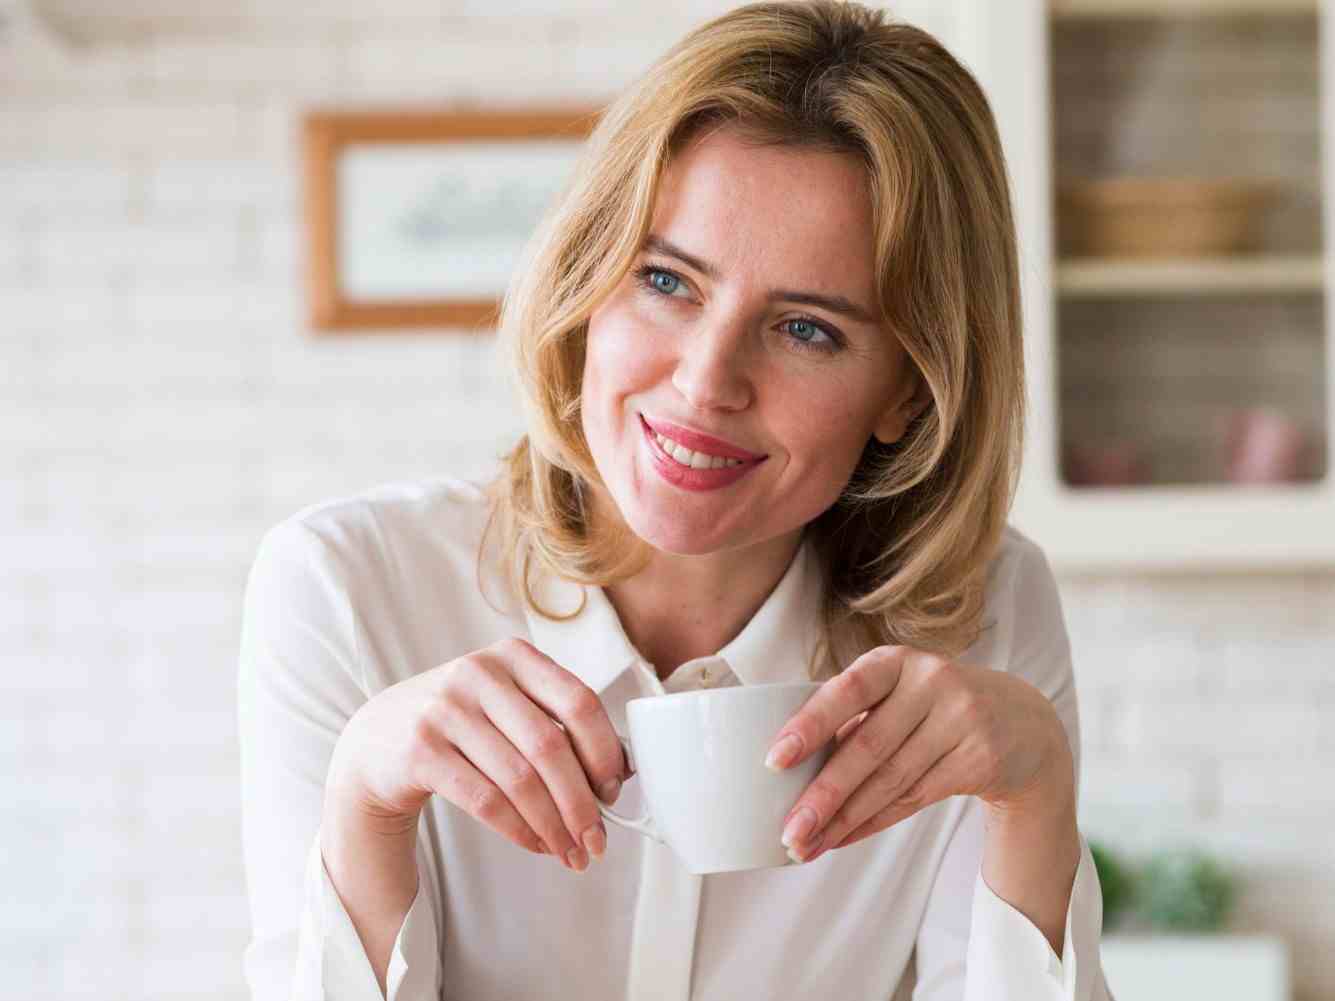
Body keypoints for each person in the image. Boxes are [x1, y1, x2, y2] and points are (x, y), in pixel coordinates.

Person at [238, 2, 1116, 999]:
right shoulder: (349, 587)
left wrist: (1036, 794)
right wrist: (364, 801)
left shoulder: (983, 613)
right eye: (668, 280)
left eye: (806, 329)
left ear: (910, 389)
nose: (705, 382)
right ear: (590, 279)